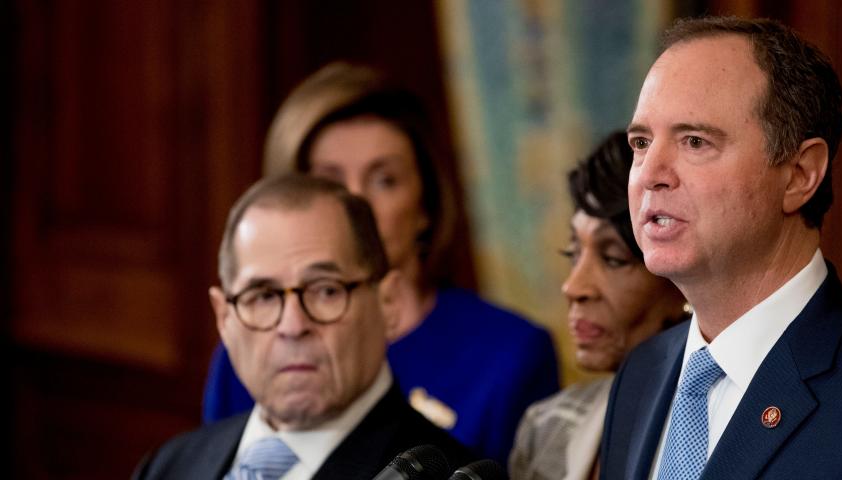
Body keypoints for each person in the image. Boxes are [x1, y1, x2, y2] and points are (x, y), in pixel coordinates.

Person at [599, 16, 842, 480]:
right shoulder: (641, 374)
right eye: (642, 142)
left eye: (694, 141)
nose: (650, 173)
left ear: (800, 174)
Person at [203, 63, 559, 464]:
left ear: (425, 204)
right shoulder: (255, 342)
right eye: (329, 182)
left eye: (384, 180)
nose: (356, 204)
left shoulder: (510, 354)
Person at [135, 175, 473, 479]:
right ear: (224, 317)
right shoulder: (167, 467)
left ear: (387, 303)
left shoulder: (446, 475)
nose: (293, 326)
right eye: (263, 296)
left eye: (326, 290)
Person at [509, 132, 688, 480]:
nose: (573, 287)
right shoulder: (544, 428)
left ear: (682, 281)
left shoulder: (727, 430)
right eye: (573, 253)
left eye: (612, 258)